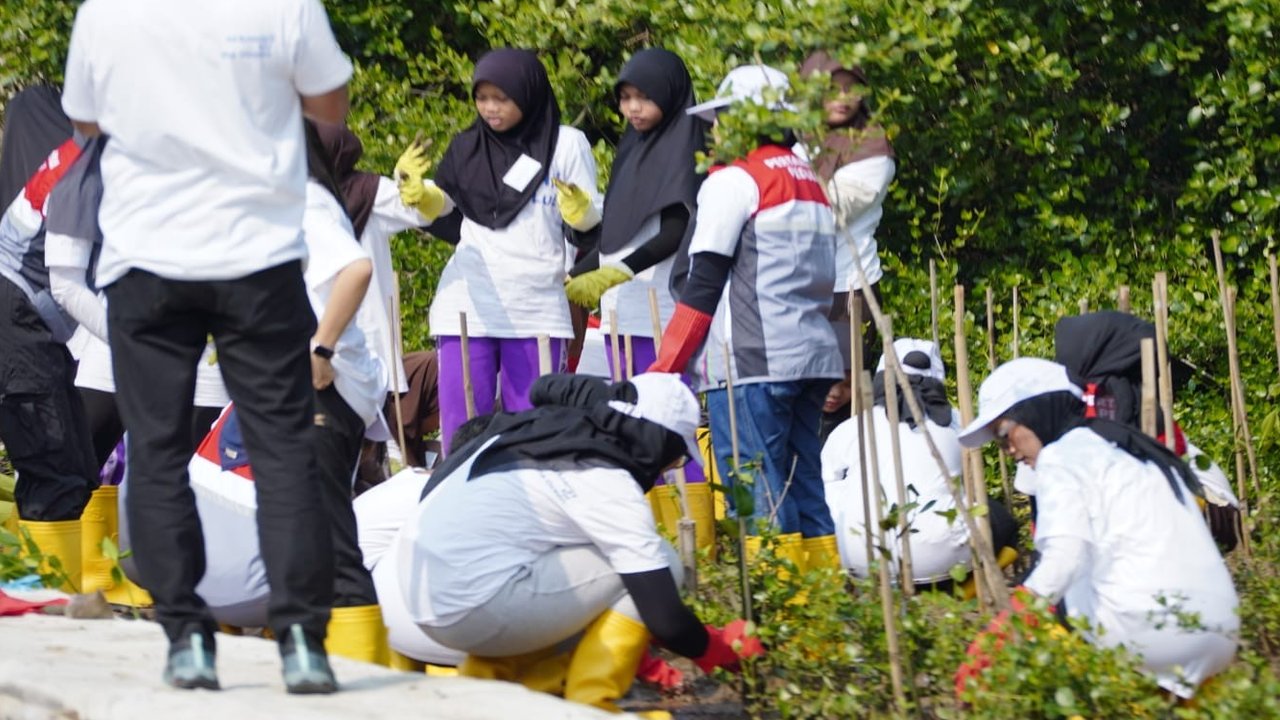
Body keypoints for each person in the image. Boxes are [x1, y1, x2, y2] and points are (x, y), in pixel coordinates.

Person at [61, 0, 354, 693]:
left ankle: (187, 637)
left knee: (156, 449)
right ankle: (303, 644)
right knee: (283, 448)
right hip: (258, 257)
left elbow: (84, 119)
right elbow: (330, 106)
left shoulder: (106, 12)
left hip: (146, 257)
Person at [397, 373, 762, 713]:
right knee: (660, 561)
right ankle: (592, 704)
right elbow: (664, 617)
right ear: (657, 440)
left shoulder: (536, 434)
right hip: (469, 611)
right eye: (675, 457)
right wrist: (712, 646)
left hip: (414, 606)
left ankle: (496, 693)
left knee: (590, 565)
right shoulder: (604, 475)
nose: (668, 468)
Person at [650, 64, 843, 566]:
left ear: (740, 121)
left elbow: (704, 283)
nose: (714, 131)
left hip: (752, 362)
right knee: (803, 480)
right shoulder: (812, 183)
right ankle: (824, 611)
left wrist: (667, 365)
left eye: (721, 120)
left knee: (755, 482)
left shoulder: (735, 182)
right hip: (814, 356)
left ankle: (781, 613)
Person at [956, 358, 1238, 699]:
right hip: (1222, 634)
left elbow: (1065, 560)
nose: (1010, 451)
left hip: (1153, 641)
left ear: (1038, 411)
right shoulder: (1127, 447)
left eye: (1005, 435)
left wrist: (1002, 632)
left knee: (1050, 601)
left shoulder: (1060, 457)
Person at [395, 48, 602, 453]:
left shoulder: (566, 144)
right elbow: (448, 209)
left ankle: (524, 513)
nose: (490, 108)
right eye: (482, 97)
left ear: (527, 94)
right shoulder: (468, 146)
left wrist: (581, 212)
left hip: (536, 305)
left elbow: (591, 227)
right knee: (463, 424)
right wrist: (421, 198)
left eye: (501, 99)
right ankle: (460, 505)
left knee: (530, 425)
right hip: (468, 304)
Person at [0, 86, 98, 584]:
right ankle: (47, 608)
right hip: (15, 316)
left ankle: (67, 593)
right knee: (52, 468)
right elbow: (66, 285)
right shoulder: (84, 171)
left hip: (33, 322)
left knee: (79, 469)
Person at [821, 339, 1017, 587]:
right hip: (944, 562)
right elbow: (972, 481)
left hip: (863, 557)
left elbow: (828, 483)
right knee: (999, 517)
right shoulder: (958, 421)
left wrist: (846, 518)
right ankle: (964, 586)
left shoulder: (852, 427)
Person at [310, 122, 443, 469]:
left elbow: (423, 209)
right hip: (310, 338)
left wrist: (411, 184)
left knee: (355, 435)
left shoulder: (366, 190)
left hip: (359, 340)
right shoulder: (295, 200)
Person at [800, 51, 897, 440]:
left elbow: (827, 209)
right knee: (798, 392)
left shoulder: (872, 148)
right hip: (794, 286)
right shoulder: (794, 138)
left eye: (851, 88)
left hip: (846, 288)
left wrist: (777, 180)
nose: (841, 97)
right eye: (829, 89)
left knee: (838, 398)